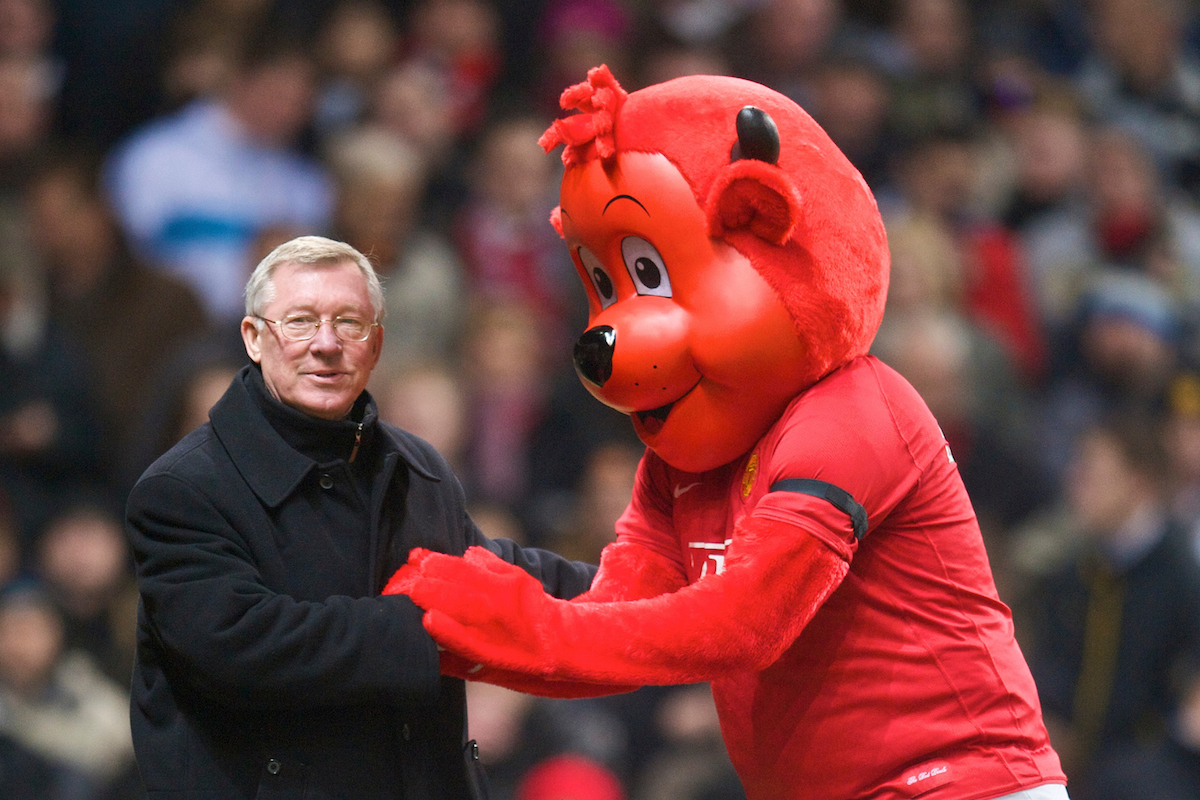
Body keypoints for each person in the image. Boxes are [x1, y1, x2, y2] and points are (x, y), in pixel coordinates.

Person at [123, 235, 596, 800]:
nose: (326, 345)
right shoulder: (182, 489)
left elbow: (483, 570)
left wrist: (633, 586)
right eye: (299, 322)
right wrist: (430, 626)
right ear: (253, 338)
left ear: (376, 344)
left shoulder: (418, 466)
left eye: (349, 323)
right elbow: (241, 647)